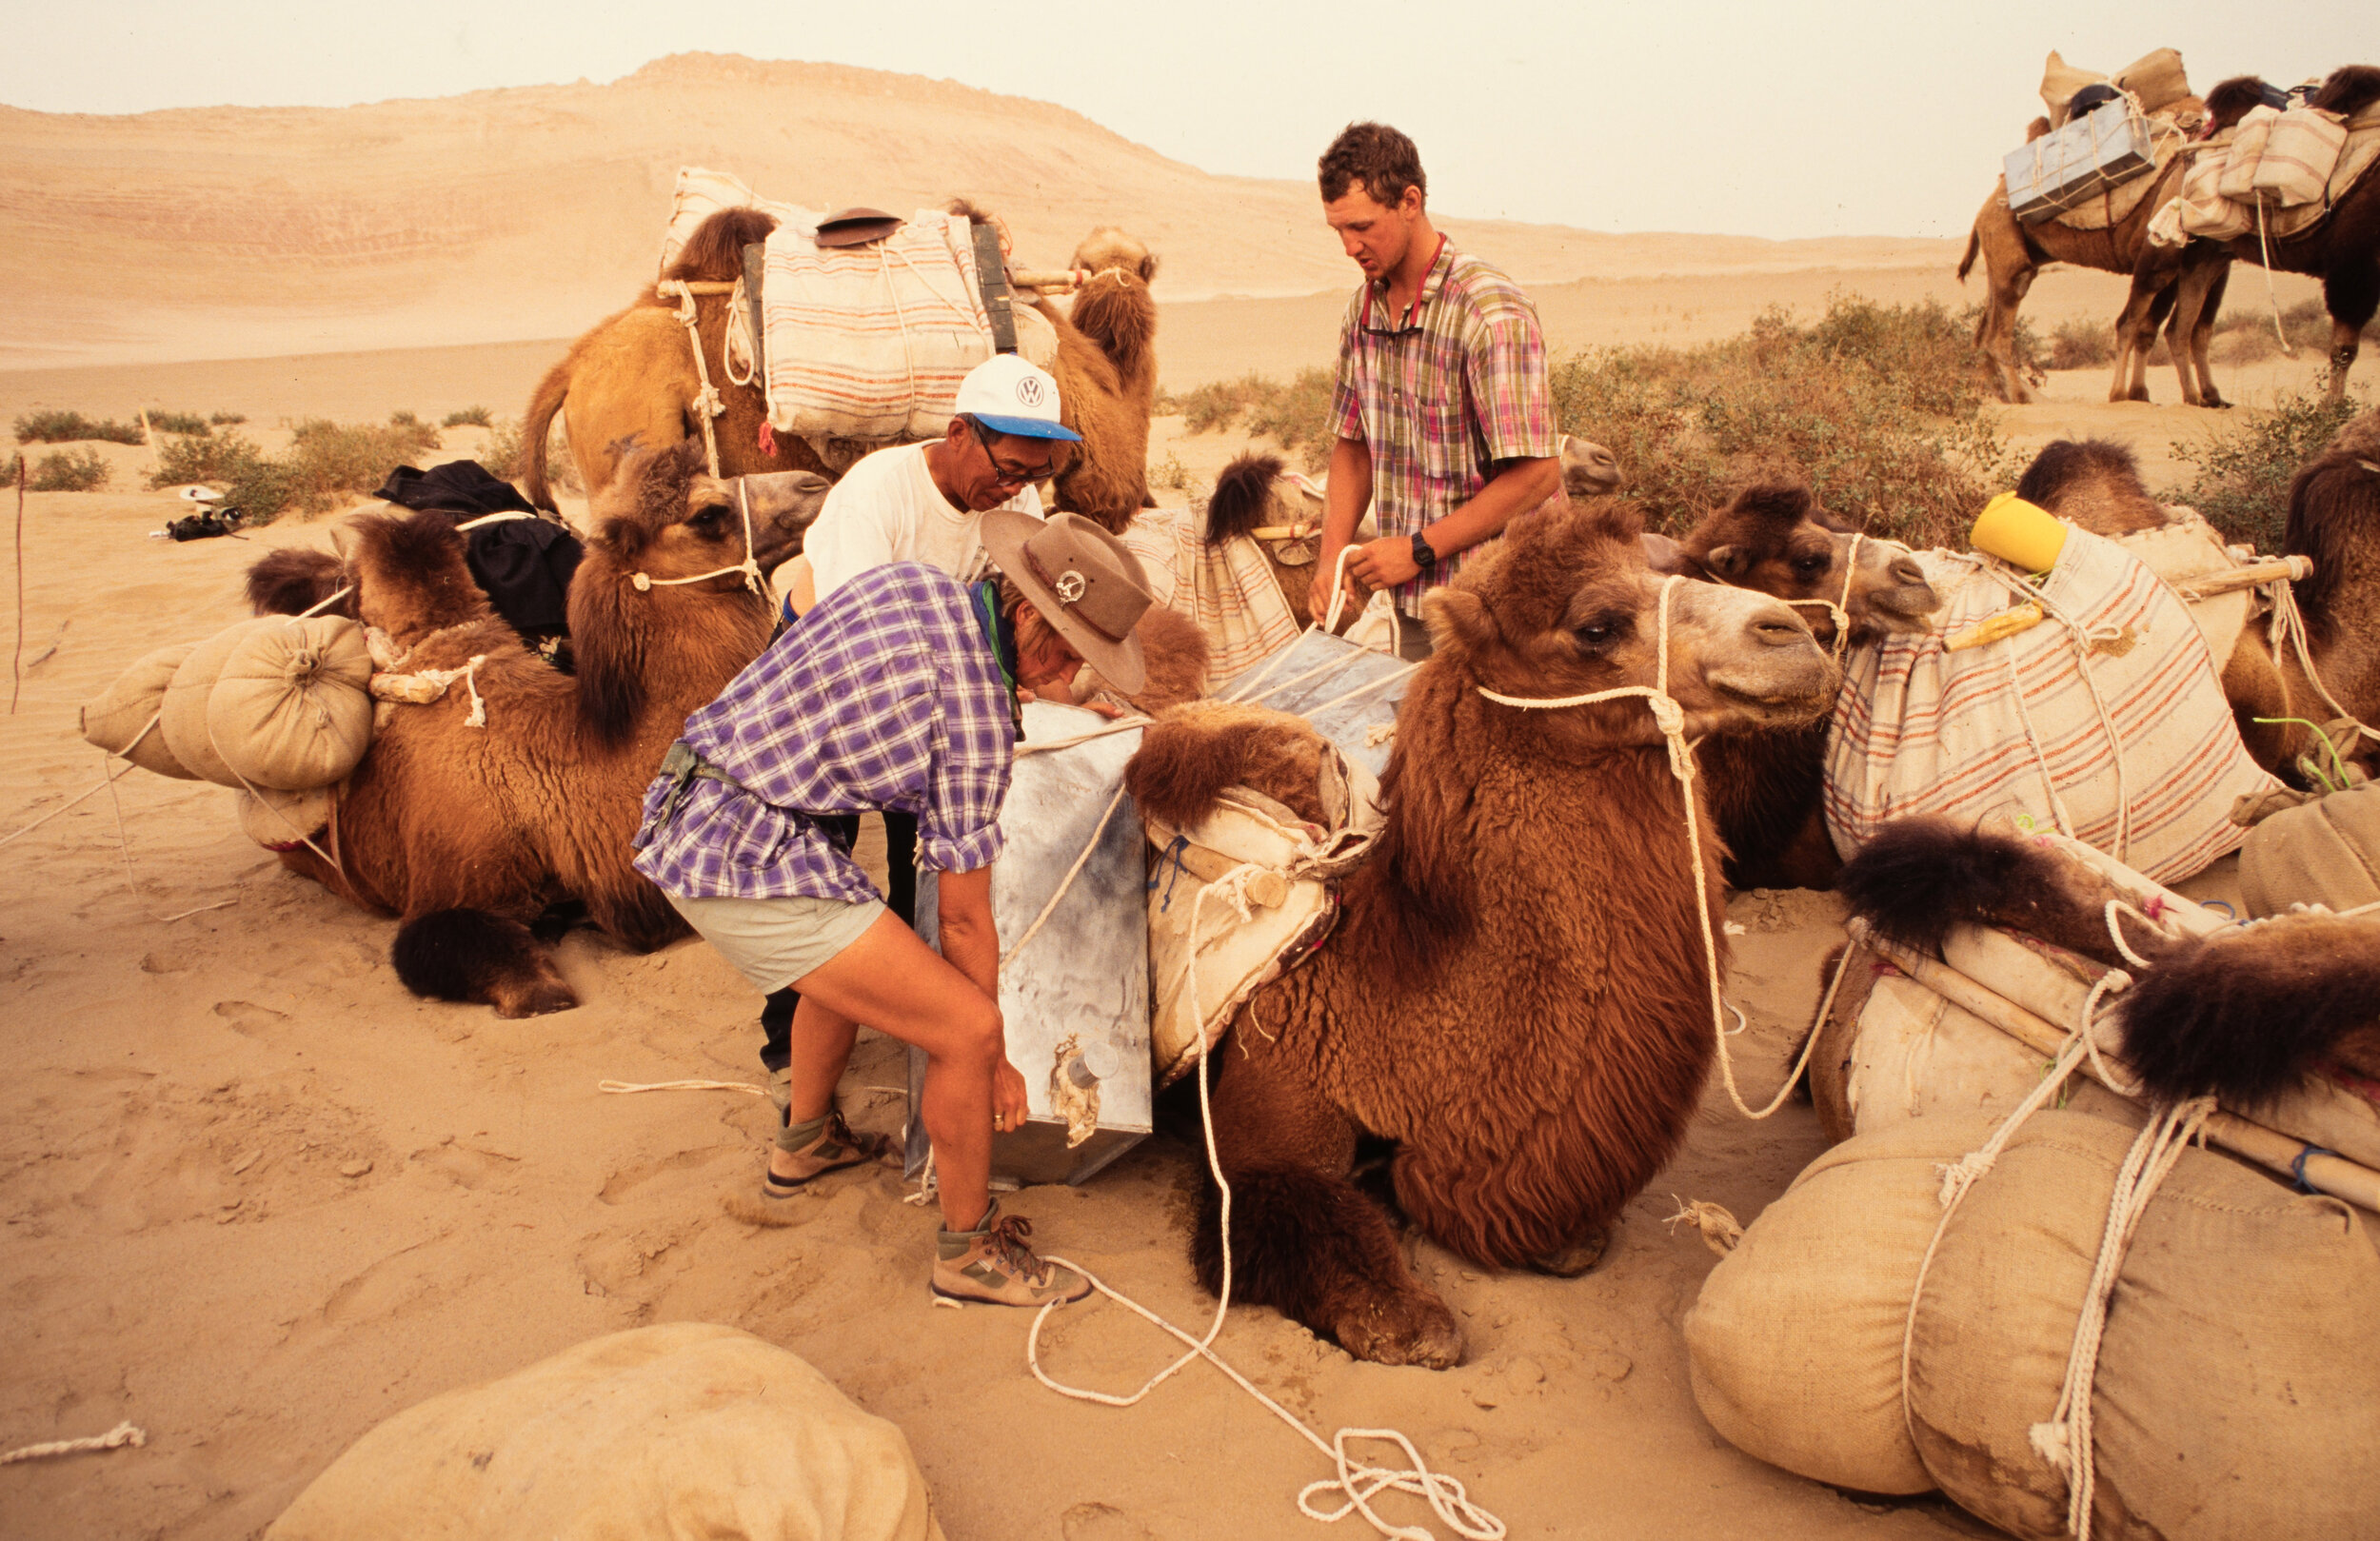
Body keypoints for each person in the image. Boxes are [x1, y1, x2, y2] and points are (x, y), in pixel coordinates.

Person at [631, 511, 1154, 1306]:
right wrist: (998, 1054)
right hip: (737, 849)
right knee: (963, 1026)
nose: (1073, 670)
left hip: (694, 795)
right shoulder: (977, 718)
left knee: (855, 934)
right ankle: (967, 1250)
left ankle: (804, 1143)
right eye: (1065, 646)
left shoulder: (915, 583)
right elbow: (965, 920)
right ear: (1021, 612)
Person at [755, 354, 1078, 1116]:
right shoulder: (879, 492)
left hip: (932, 691)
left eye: (1035, 471)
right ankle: (784, 1044)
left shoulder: (1016, 500)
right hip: (825, 680)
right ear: (960, 433)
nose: (1016, 486)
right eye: (1007, 466)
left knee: (919, 860)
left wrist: (1045, 685)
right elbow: (858, 636)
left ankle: (914, 1010)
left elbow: (1013, 612)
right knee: (813, 865)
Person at [1307, 122, 1564, 661]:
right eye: (1338, 231)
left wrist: (1418, 550)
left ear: (1410, 201)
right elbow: (1353, 447)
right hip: (1414, 605)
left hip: (1504, 612)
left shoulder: (1488, 311)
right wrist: (1332, 558)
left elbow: (1539, 473)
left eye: (1362, 226)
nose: (1351, 246)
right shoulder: (1363, 311)